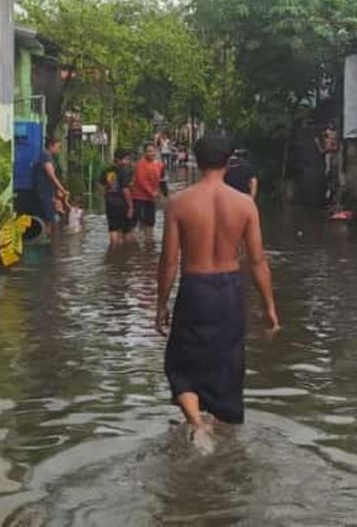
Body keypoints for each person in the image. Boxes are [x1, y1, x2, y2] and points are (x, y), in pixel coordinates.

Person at [156, 134, 279, 446]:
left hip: (194, 288)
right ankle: (220, 428)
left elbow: (169, 261)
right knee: (227, 360)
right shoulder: (245, 205)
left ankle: (196, 422)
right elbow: (257, 261)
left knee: (180, 363)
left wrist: (161, 305)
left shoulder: (178, 203)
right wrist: (269, 307)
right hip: (229, 290)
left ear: (197, 161)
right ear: (229, 161)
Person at [34, 136, 68, 238]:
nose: (59, 150)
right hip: (44, 191)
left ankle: (49, 239)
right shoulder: (46, 156)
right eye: (58, 147)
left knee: (50, 218)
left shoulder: (46, 155)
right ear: (51, 146)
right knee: (49, 218)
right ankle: (49, 240)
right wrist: (62, 189)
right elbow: (51, 176)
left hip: (46, 190)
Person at [100, 148, 136, 245]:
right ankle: (123, 251)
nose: (128, 162)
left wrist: (106, 195)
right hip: (121, 202)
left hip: (110, 202)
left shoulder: (106, 170)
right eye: (126, 159)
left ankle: (113, 250)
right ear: (118, 160)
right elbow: (125, 190)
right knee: (126, 230)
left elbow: (101, 185)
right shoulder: (123, 171)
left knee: (113, 229)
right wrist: (131, 207)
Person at [131, 142, 167, 233]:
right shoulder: (140, 164)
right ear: (144, 153)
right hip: (139, 197)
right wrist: (152, 192)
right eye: (148, 151)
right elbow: (141, 180)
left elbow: (162, 180)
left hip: (151, 198)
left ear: (156, 151)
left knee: (150, 222)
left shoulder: (160, 164)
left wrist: (165, 195)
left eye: (152, 151)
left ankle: (149, 239)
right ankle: (139, 238)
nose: (151, 153)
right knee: (139, 222)